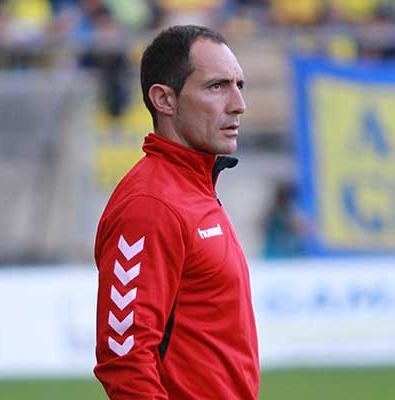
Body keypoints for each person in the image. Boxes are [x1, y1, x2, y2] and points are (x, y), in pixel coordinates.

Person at [93, 25, 260, 399]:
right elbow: (124, 357)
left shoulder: (194, 189)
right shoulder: (150, 206)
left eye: (239, 85)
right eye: (216, 86)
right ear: (164, 100)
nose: (238, 104)